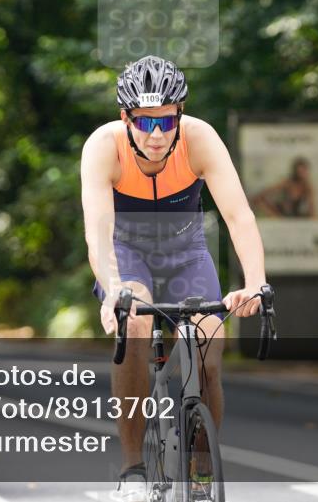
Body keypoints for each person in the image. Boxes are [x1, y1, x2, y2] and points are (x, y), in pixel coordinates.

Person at [80, 55, 267, 501]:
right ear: (126, 118)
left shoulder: (200, 139)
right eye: (145, 123)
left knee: (207, 347)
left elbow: (239, 217)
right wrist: (113, 290)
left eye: (166, 121)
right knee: (136, 325)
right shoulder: (103, 147)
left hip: (186, 255)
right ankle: (132, 471)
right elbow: (99, 235)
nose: (158, 135)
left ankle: (202, 466)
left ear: (179, 114)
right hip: (128, 255)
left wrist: (256, 280)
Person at [250, 156, 316, 218]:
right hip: (281, 215)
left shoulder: (307, 187)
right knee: (260, 202)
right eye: (300, 171)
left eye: (304, 171)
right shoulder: (288, 183)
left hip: (295, 216)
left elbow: (312, 208)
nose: (302, 174)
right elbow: (269, 191)